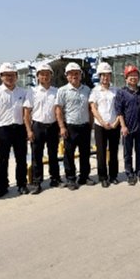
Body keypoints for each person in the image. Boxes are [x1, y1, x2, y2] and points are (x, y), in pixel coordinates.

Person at [0, 62, 31, 198]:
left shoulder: (23, 92)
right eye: (6, 75)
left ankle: (22, 184)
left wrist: (28, 130)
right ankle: (2, 186)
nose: (9, 78)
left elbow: (26, 114)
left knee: (21, 159)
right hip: (3, 130)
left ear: (16, 76)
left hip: (19, 129)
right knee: (2, 160)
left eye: (12, 75)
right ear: (1, 76)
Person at [23, 63, 61, 195]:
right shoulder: (32, 92)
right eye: (42, 74)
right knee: (36, 156)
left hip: (52, 126)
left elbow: (58, 111)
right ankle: (37, 182)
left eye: (47, 74)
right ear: (37, 76)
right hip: (37, 126)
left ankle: (55, 179)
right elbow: (26, 113)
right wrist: (29, 130)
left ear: (51, 75)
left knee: (53, 154)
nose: (45, 76)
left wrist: (60, 127)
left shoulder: (56, 92)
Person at [55, 62, 94, 190]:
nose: (74, 76)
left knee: (85, 153)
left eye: (76, 73)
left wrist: (91, 124)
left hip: (84, 126)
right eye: (71, 74)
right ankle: (71, 178)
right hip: (70, 127)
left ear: (81, 75)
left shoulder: (87, 90)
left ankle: (84, 176)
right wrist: (62, 127)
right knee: (69, 154)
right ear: (67, 76)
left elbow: (90, 108)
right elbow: (58, 110)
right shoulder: (62, 91)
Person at [89, 62, 120, 188]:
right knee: (101, 152)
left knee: (114, 151)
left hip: (114, 125)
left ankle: (113, 176)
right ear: (99, 76)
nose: (105, 78)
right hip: (100, 126)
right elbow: (93, 108)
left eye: (108, 75)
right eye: (103, 75)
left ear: (110, 76)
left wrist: (116, 122)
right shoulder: (95, 91)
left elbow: (119, 108)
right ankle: (103, 177)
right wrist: (102, 122)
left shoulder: (116, 90)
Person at [115, 65, 140, 186]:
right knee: (128, 153)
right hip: (127, 128)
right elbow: (119, 111)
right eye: (130, 76)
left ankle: (139, 172)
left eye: (135, 75)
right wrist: (123, 126)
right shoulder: (121, 93)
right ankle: (129, 174)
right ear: (126, 78)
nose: (133, 78)